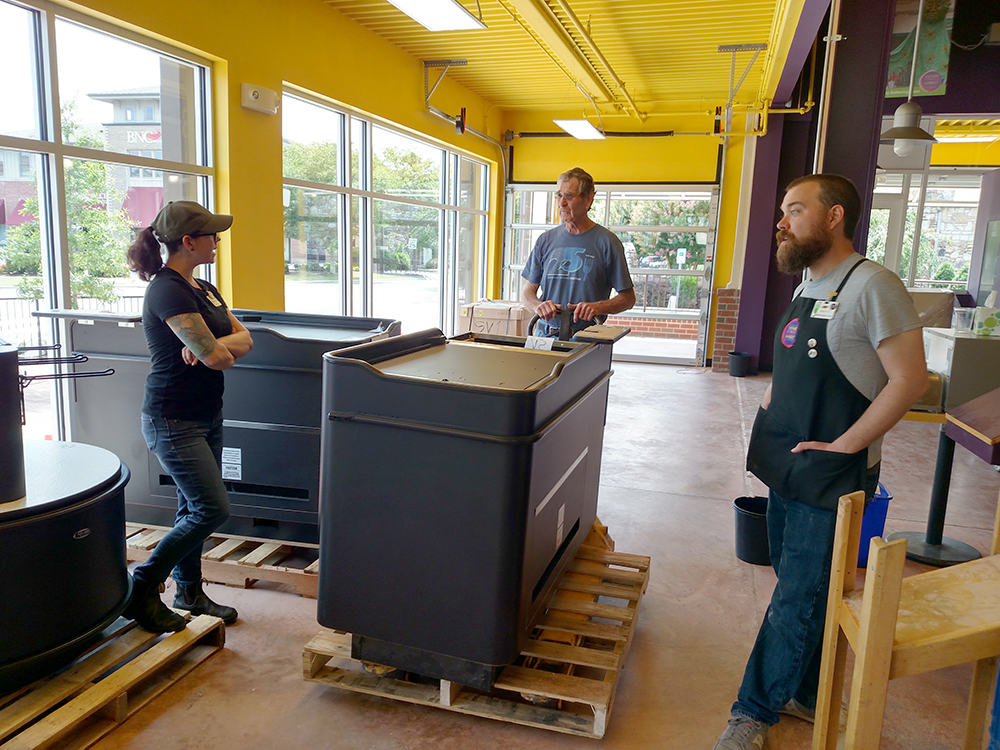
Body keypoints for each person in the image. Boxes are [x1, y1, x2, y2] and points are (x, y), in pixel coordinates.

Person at [713, 175, 928, 750]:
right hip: (789, 460)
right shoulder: (811, 283)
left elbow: (910, 381)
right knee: (799, 585)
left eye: (794, 210)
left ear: (834, 217)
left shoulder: (872, 285)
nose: (780, 222)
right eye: (782, 210)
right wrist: (766, 413)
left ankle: (752, 715)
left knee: (794, 599)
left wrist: (850, 444)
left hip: (831, 473)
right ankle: (805, 692)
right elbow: (792, 370)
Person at [124, 200, 253, 633]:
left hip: (206, 415)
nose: (217, 241)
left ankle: (189, 591)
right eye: (212, 235)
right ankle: (142, 585)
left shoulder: (205, 288)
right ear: (188, 241)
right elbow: (219, 357)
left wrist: (212, 347)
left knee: (190, 507)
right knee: (210, 508)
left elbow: (244, 341)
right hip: (172, 419)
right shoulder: (166, 290)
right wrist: (214, 349)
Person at [521, 167, 635, 337]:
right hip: (545, 335)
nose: (561, 203)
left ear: (588, 200)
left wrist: (598, 307)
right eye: (559, 195)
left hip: (586, 338)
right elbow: (527, 292)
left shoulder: (607, 242)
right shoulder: (546, 240)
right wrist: (538, 305)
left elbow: (628, 298)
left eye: (568, 196)